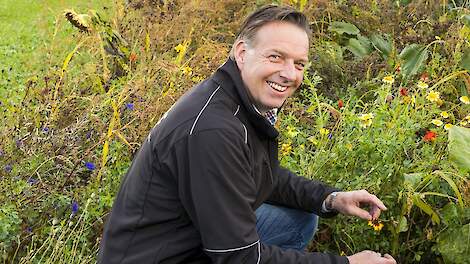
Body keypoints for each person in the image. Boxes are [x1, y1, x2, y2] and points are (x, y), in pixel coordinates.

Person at [98, 5, 397, 264]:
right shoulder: (213, 130)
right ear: (242, 53)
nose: (289, 74)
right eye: (276, 57)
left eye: (299, 64)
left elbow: (256, 173)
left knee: (299, 219)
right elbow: (238, 257)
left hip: (183, 238)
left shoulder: (236, 100)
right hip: (159, 256)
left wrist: (330, 198)